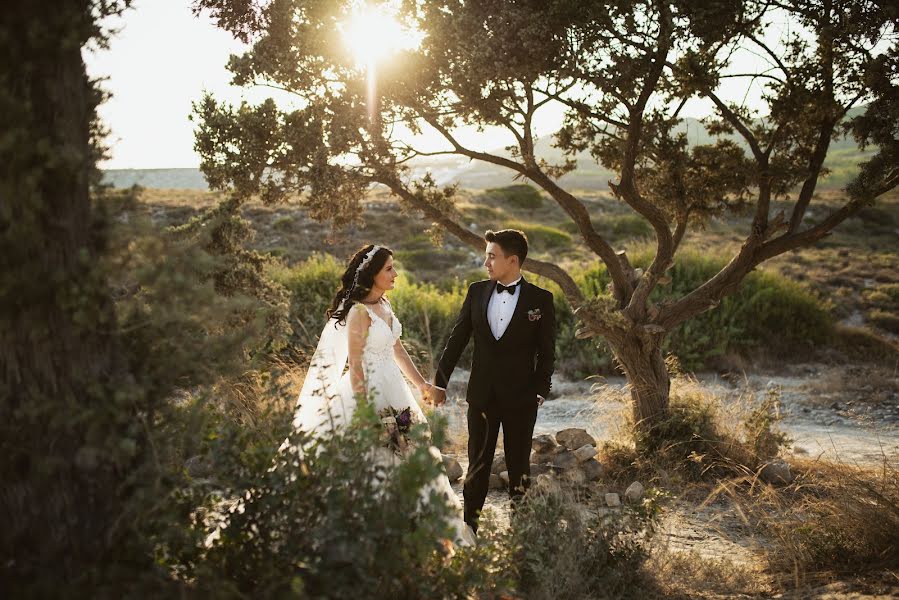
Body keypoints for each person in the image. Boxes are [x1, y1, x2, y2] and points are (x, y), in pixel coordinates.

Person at [291, 244, 475, 546]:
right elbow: (356, 368)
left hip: (397, 391)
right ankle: (372, 536)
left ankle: (415, 533)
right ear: (371, 273)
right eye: (389, 268)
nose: (395, 273)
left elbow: (397, 350)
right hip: (368, 394)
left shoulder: (385, 305)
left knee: (410, 454)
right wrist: (366, 415)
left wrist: (421, 385)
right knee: (375, 458)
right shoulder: (359, 313)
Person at [431, 229, 556, 534]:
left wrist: (540, 391)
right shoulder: (476, 292)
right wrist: (440, 383)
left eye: (491, 255)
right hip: (482, 395)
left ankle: (522, 534)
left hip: (521, 399)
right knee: (477, 463)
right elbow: (457, 339)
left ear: (512, 260)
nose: (485, 261)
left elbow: (547, 351)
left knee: (518, 467)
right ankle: (469, 531)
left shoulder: (541, 299)